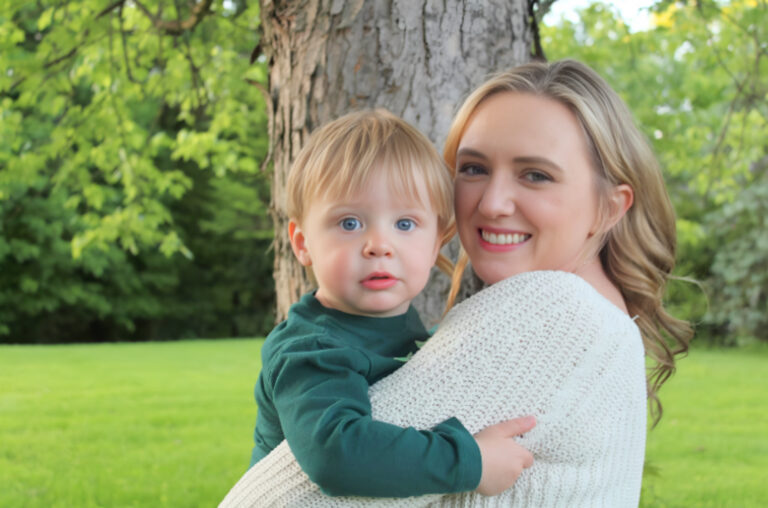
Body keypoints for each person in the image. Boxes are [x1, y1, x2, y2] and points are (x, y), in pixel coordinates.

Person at [220, 59, 692, 507]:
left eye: (535, 175)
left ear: (610, 207)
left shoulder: (554, 311)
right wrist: (467, 458)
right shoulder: (603, 320)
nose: (491, 204)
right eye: (473, 169)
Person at [247, 108, 536, 500]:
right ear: (302, 243)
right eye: (349, 223)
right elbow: (337, 453)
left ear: (436, 242)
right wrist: (470, 461)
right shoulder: (311, 350)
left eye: (404, 224)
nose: (379, 245)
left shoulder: (400, 328)